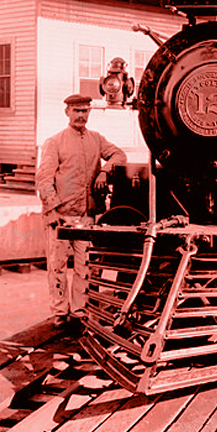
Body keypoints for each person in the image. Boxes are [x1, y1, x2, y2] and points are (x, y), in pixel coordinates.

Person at [36, 94, 126, 327]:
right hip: (60, 217)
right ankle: (59, 312)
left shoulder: (96, 139)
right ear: (67, 112)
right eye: (76, 111)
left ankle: (79, 311)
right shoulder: (54, 142)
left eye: (85, 111)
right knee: (57, 266)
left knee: (84, 266)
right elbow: (44, 180)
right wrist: (52, 210)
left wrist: (104, 171)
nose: (81, 116)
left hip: (86, 217)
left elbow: (119, 155)